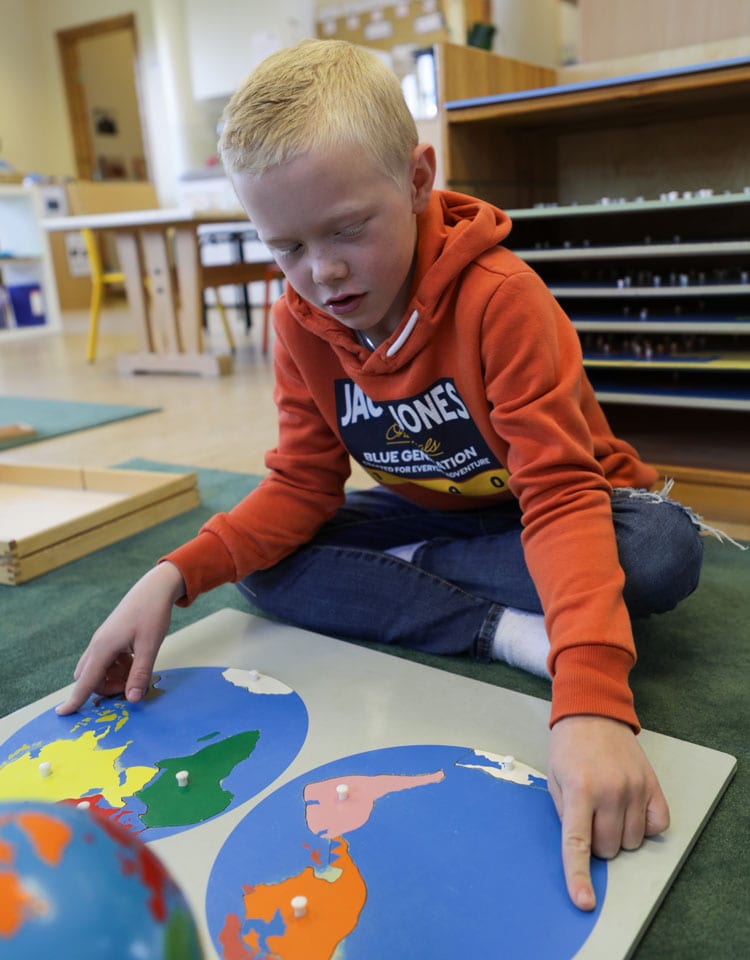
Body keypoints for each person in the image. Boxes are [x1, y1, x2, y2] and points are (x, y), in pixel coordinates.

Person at [58, 38, 707, 912]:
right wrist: (171, 576)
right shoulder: (298, 323)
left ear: (417, 180)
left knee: (661, 554)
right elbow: (300, 485)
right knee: (256, 564)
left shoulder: (502, 298)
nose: (321, 273)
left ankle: (427, 580)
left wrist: (591, 700)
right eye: (285, 247)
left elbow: (560, 497)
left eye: (347, 230)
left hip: (568, 509)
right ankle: (507, 632)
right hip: (433, 516)